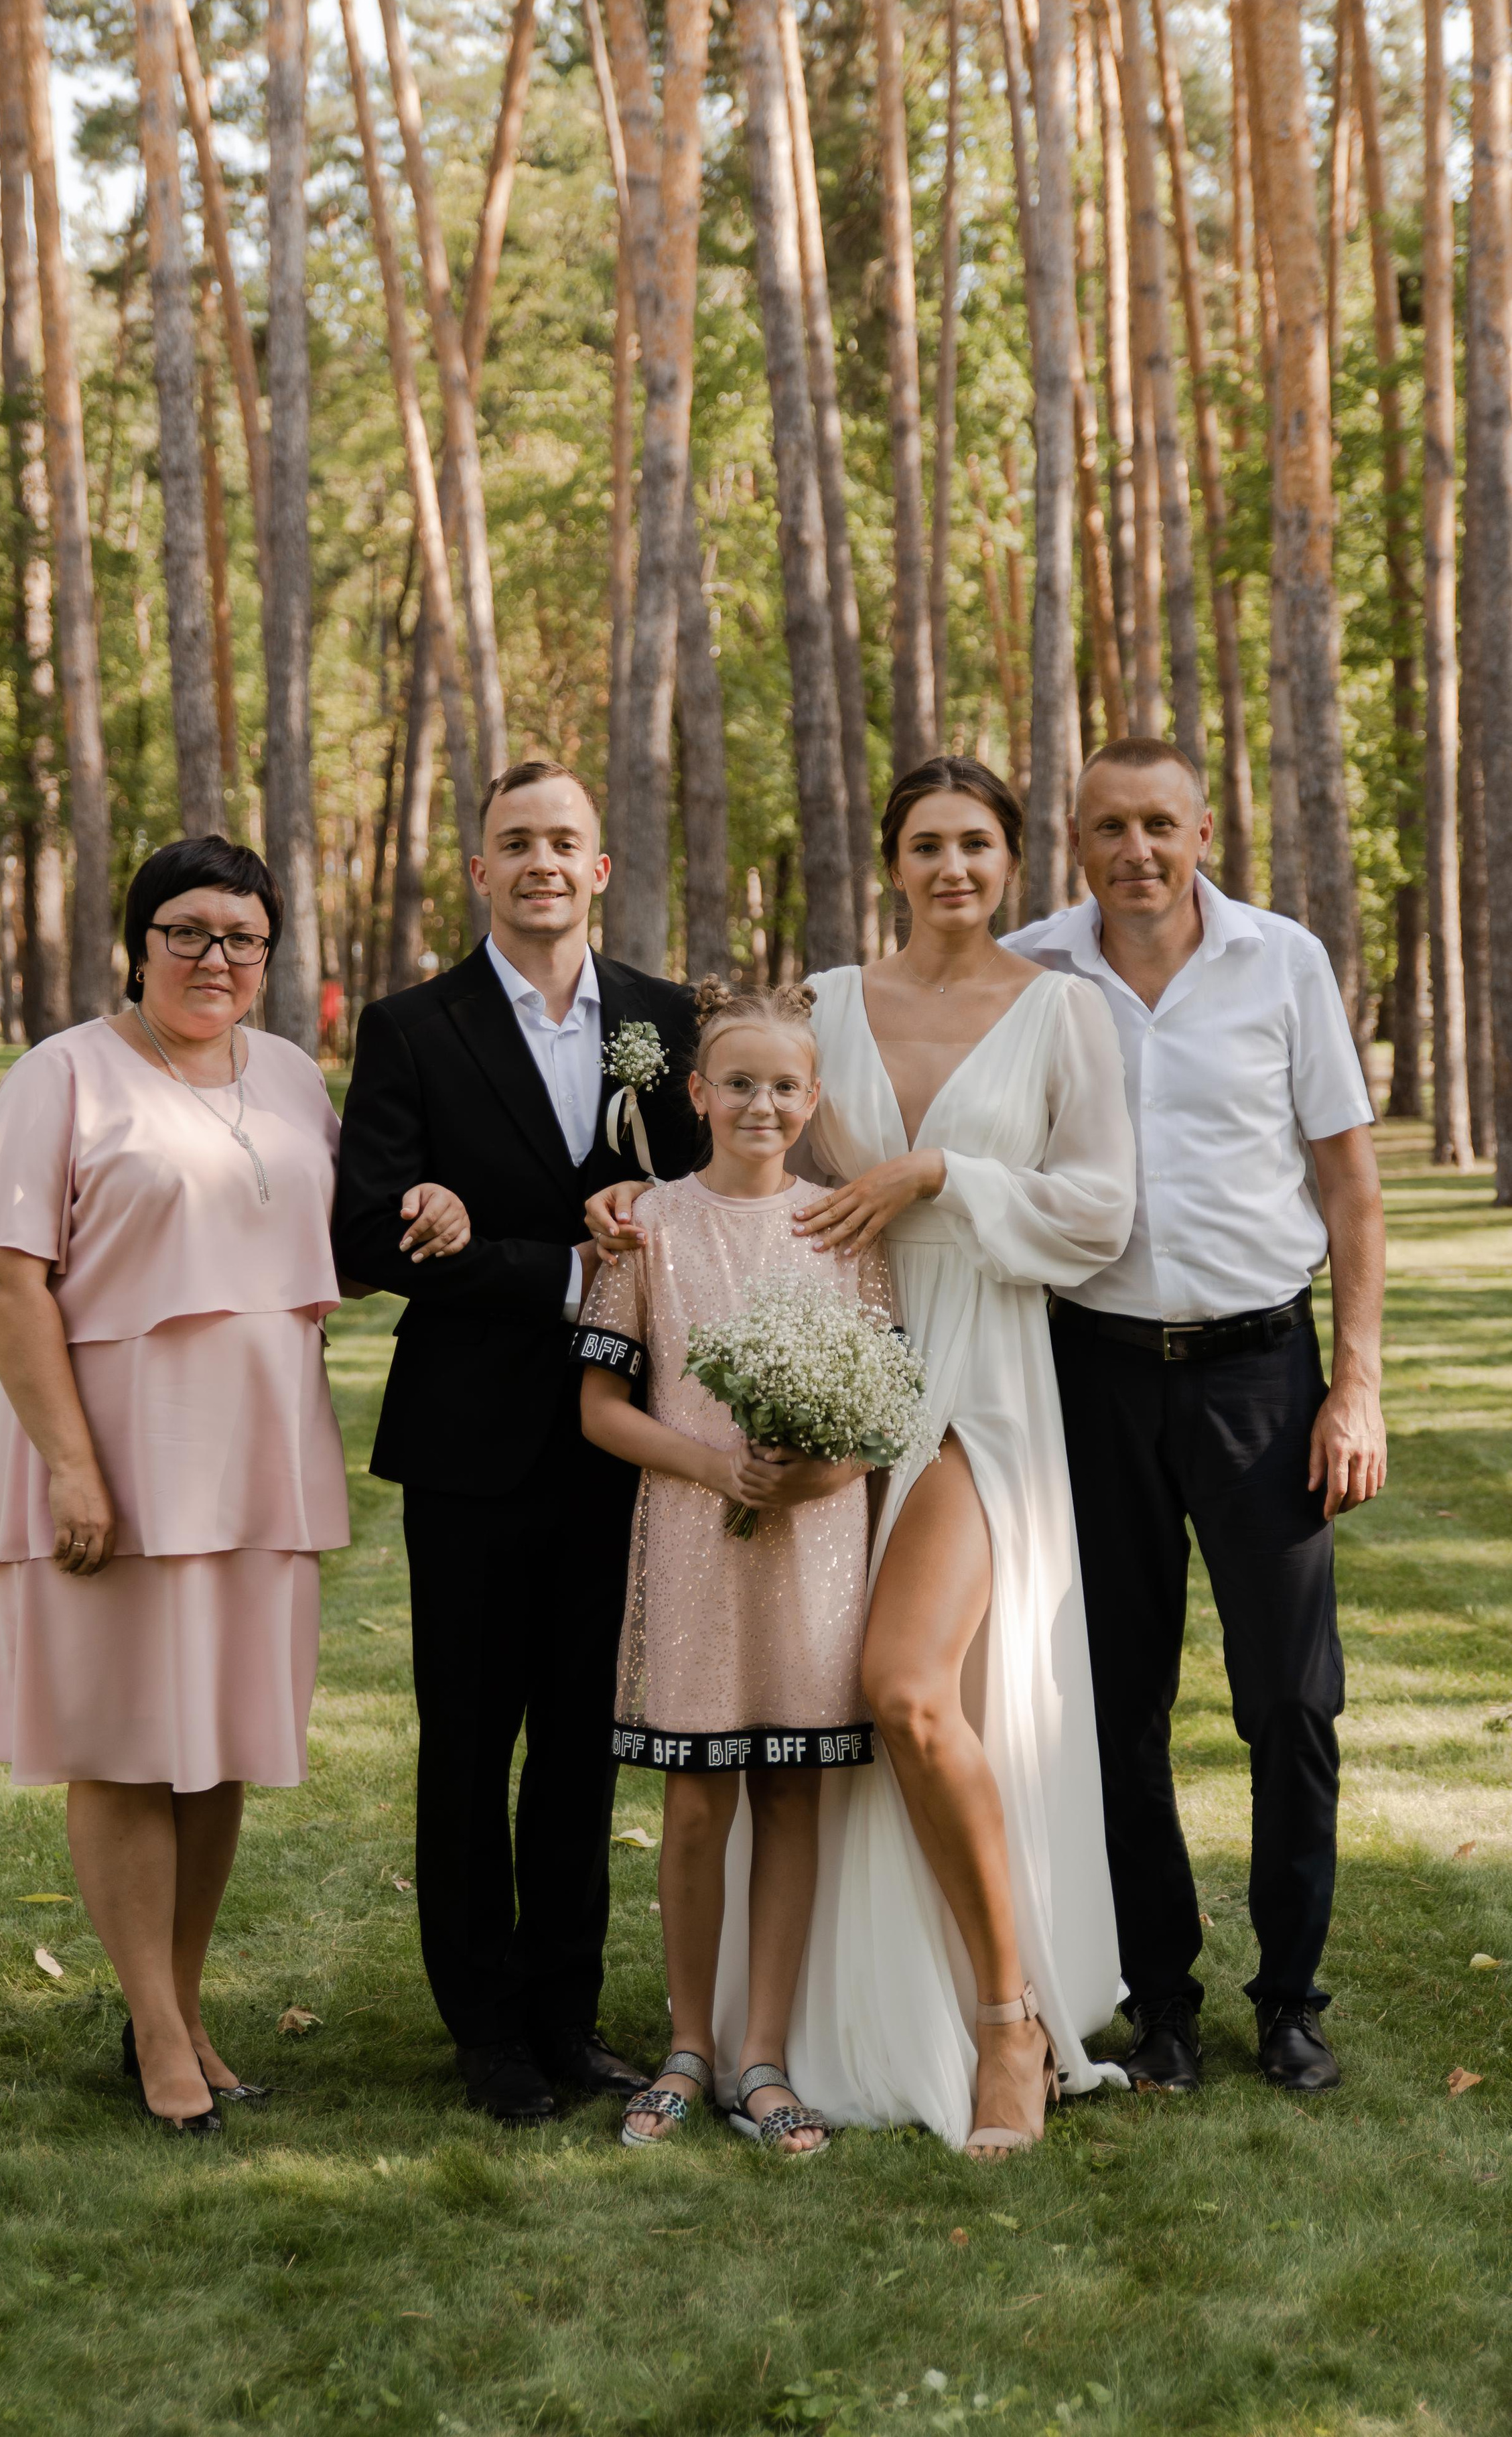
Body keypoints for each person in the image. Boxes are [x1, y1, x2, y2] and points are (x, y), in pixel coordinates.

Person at [591, 757, 1138, 2154]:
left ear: (1010, 859)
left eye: (973, 844)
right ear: (888, 859)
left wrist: (938, 1174)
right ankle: (780, 2033)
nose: (948, 867)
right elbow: (738, 1122)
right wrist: (622, 1192)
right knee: (798, 1714)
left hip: (974, 1381)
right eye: (922, 844)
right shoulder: (829, 1001)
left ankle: (1006, 2023)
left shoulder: (1063, 1013)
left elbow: (1098, 1213)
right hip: (819, 1365)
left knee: (904, 1691)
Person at [0, 836, 348, 2134]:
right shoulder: (61, 1075)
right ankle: (163, 2044)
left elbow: (325, 1234)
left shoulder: (289, 1074)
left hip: (256, 1459)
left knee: (216, 1746)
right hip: (115, 1451)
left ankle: (173, 2012)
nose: (213, 959)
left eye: (240, 938)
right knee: (122, 1748)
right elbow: (7, 1275)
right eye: (186, 931)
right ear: (138, 940)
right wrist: (71, 1465)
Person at [1002, 736, 1384, 2096]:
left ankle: (1287, 2000)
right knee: (1114, 1707)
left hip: (1258, 1378)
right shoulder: (1028, 968)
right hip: (1089, 1375)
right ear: (1075, 838)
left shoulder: (1280, 962)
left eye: (1158, 822)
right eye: (1108, 826)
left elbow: (1347, 1191)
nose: (1135, 851)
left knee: (1288, 1701)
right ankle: (1155, 2001)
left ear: (1202, 827)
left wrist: (1355, 1385)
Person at [330, 760, 699, 2128]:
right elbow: (365, 1236)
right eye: (512, 843)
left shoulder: (668, 1022)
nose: (540, 862)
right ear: (478, 872)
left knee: (583, 1746)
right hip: (471, 1442)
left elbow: (721, 1194)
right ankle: (481, 2029)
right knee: (469, 1741)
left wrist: (654, 1215)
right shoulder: (413, 1028)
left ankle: (564, 2015)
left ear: (599, 870)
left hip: (625, 1441)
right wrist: (551, 1273)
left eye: (564, 841)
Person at [579, 979, 889, 2158]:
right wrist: (716, 1466)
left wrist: (817, 1475)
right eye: (740, 1083)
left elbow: (883, 1413)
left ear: (814, 1100)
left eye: (786, 1085)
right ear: (699, 1092)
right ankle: (687, 2045)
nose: (763, 1103)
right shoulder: (645, 1224)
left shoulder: (842, 1229)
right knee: (697, 1800)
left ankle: (765, 2053)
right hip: (693, 1540)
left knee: (791, 1793)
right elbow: (602, 1408)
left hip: (811, 1551)